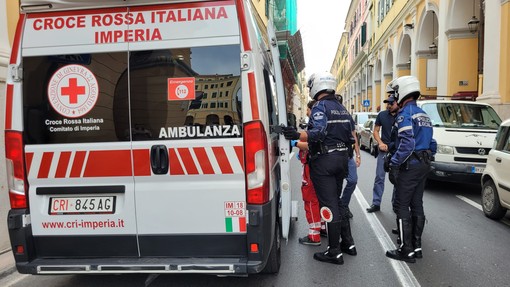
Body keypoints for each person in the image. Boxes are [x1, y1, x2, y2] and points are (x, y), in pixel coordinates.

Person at [282, 72, 355, 265]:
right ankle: (347, 243)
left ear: (316, 86)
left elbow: (318, 133)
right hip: (341, 160)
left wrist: (297, 133)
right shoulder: (341, 108)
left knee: (328, 205)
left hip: (325, 161)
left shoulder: (320, 107)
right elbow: (351, 137)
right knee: (337, 202)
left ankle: (334, 251)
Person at [385, 76, 437, 263]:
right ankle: (417, 247)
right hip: (423, 164)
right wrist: (425, 157)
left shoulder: (405, 114)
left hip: (411, 165)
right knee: (417, 204)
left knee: (401, 205)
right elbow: (433, 143)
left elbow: (406, 144)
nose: (395, 95)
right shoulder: (423, 114)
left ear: (403, 91)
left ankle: (405, 250)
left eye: (396, 91)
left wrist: (395, 163)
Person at [292, 100, 322, 246]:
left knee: (310, 198)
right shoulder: (321, 122)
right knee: (320, 198)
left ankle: (314, 236)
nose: (307, 113)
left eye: (308, 110)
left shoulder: (317, 124)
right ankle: (322, 228)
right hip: (319, 166)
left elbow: (311, 145)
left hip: (312, 166)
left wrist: (295, 142)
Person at [366, 94, 399, 213]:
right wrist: (380, 142)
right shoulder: (382, 115)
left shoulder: (402, 115)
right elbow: (375, 131)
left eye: (391, 103)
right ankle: (376, 203)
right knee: (379, 177)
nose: (388, 105)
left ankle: (396, 205)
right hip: (383, 151)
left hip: (397, 151)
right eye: (387, 103)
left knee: (397, 178)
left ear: (398, 103)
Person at [337, 95, 361, 219]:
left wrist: (358, 155)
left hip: (348, 155)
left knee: (352, 180)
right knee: (338, 183)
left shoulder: (347, 117)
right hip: (335, 156)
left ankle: (343, 204)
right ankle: (338, 208)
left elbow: (354, 136)